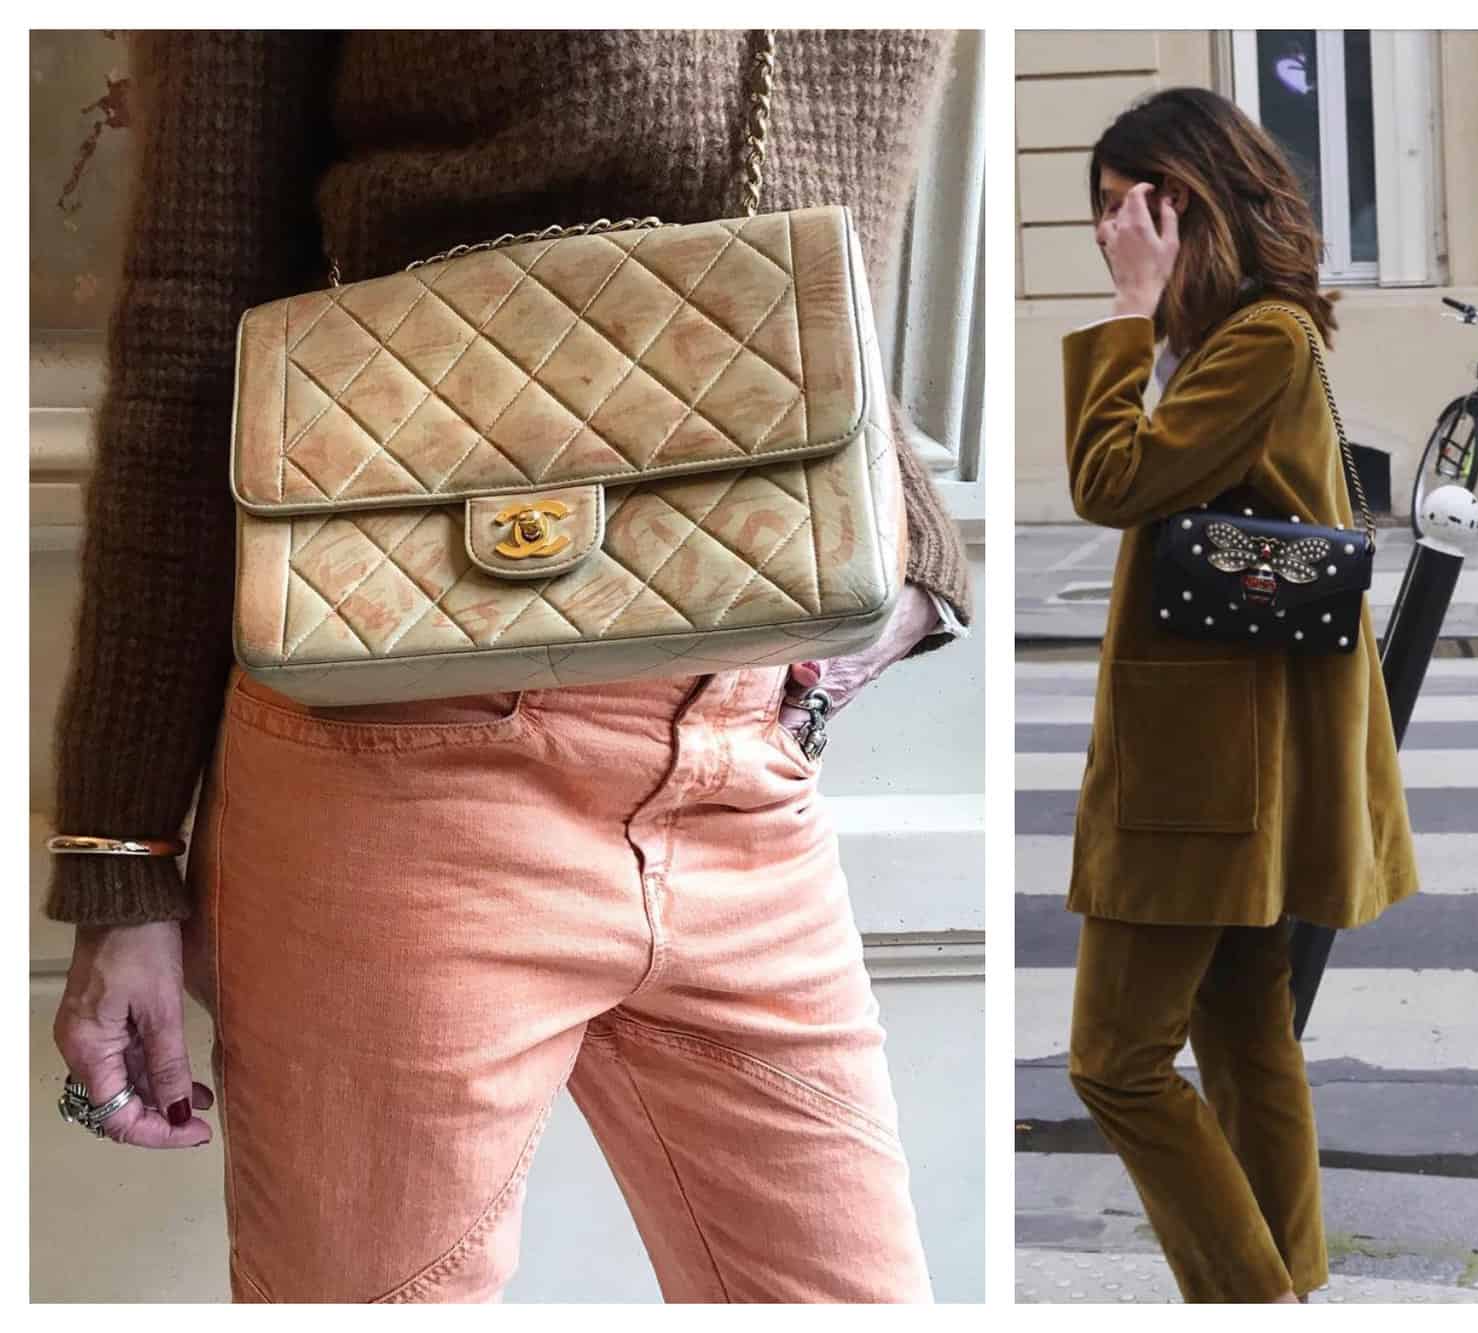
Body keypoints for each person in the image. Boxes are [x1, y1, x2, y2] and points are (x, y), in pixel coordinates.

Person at [43, 30, 972, 1303]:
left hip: (747, 760)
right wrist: (120, 855)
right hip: (411, 748)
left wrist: (911, 548)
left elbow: (837, 241)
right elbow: (199, 311)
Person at [1057, 87, 1419, 1304]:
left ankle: (1248, 1298)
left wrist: (1122, 314)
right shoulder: (1236, 339)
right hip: (1225, 755)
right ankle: (1292, 1284)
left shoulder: (1256, 342)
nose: (1113, 235)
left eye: (1130, 209)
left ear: (1190, 204)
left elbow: (1111, 480)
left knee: (1114, 1062)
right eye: (1103, 215)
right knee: (1242, 1027)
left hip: (1202, 773)